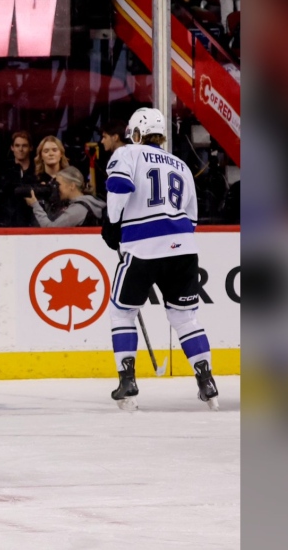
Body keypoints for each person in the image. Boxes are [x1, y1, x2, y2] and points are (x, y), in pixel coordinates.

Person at [101, 107, 219, 411]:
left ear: (137, 133)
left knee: (122, 312)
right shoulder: (180, 164)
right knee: (185, 317)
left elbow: (119, 185)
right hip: (184, 248)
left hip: (143, 247)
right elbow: (192, 217)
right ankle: (207, 381)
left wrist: (114, 221)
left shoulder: (128, 153)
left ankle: (127, 381)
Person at [25, 166, 104, 227]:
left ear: (72, 186)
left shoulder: (78, 209)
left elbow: (51, 229)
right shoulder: (88, 201)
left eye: (58, 184)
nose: (56, 188)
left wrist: (35, 205)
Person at [0, 131, 39, 226]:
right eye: (17, 146)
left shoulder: (38, 171)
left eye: (24, 146)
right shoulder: (3, 170)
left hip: (32, 224)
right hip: (8, 224)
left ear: (31, 148)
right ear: (12, 148)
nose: (21, 149)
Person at [95, 120, 128, 199]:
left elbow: (117, 188)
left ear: (115, 137)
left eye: (105, 137)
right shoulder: (132, 153)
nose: (102, 141)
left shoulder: (120, 156)